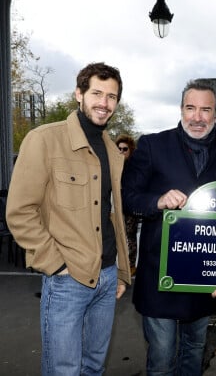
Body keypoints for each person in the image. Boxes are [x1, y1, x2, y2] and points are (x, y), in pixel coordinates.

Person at [6, 62, 131, 375]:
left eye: (112, 96)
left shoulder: (113, 151)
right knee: (63, 370)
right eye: (97, 93)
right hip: (67, 278)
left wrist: (121, 272)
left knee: (93, 367)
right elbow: (20, 211)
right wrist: (55, 265)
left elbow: (113, 213)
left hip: (106, 278)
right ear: (79, 94)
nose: (104, 103)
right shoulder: (44, 140)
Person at [121, 78, 216, 376]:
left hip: (202, 277)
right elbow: (128, 196)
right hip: (160, 275)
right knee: (161, 359)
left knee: (194, 354)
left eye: (205, 110)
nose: (197, 117)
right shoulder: (152, 145)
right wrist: (158, 200)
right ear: (181, 109)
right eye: (191, 108)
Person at [115, 134, 139, 275]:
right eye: (119, 149)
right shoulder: (113, 164)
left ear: (130, 150)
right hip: (114, 205)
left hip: (130, 205)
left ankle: (130, 266)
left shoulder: (134, 167)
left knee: (129, 236)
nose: (122, 151)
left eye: (125, 149)